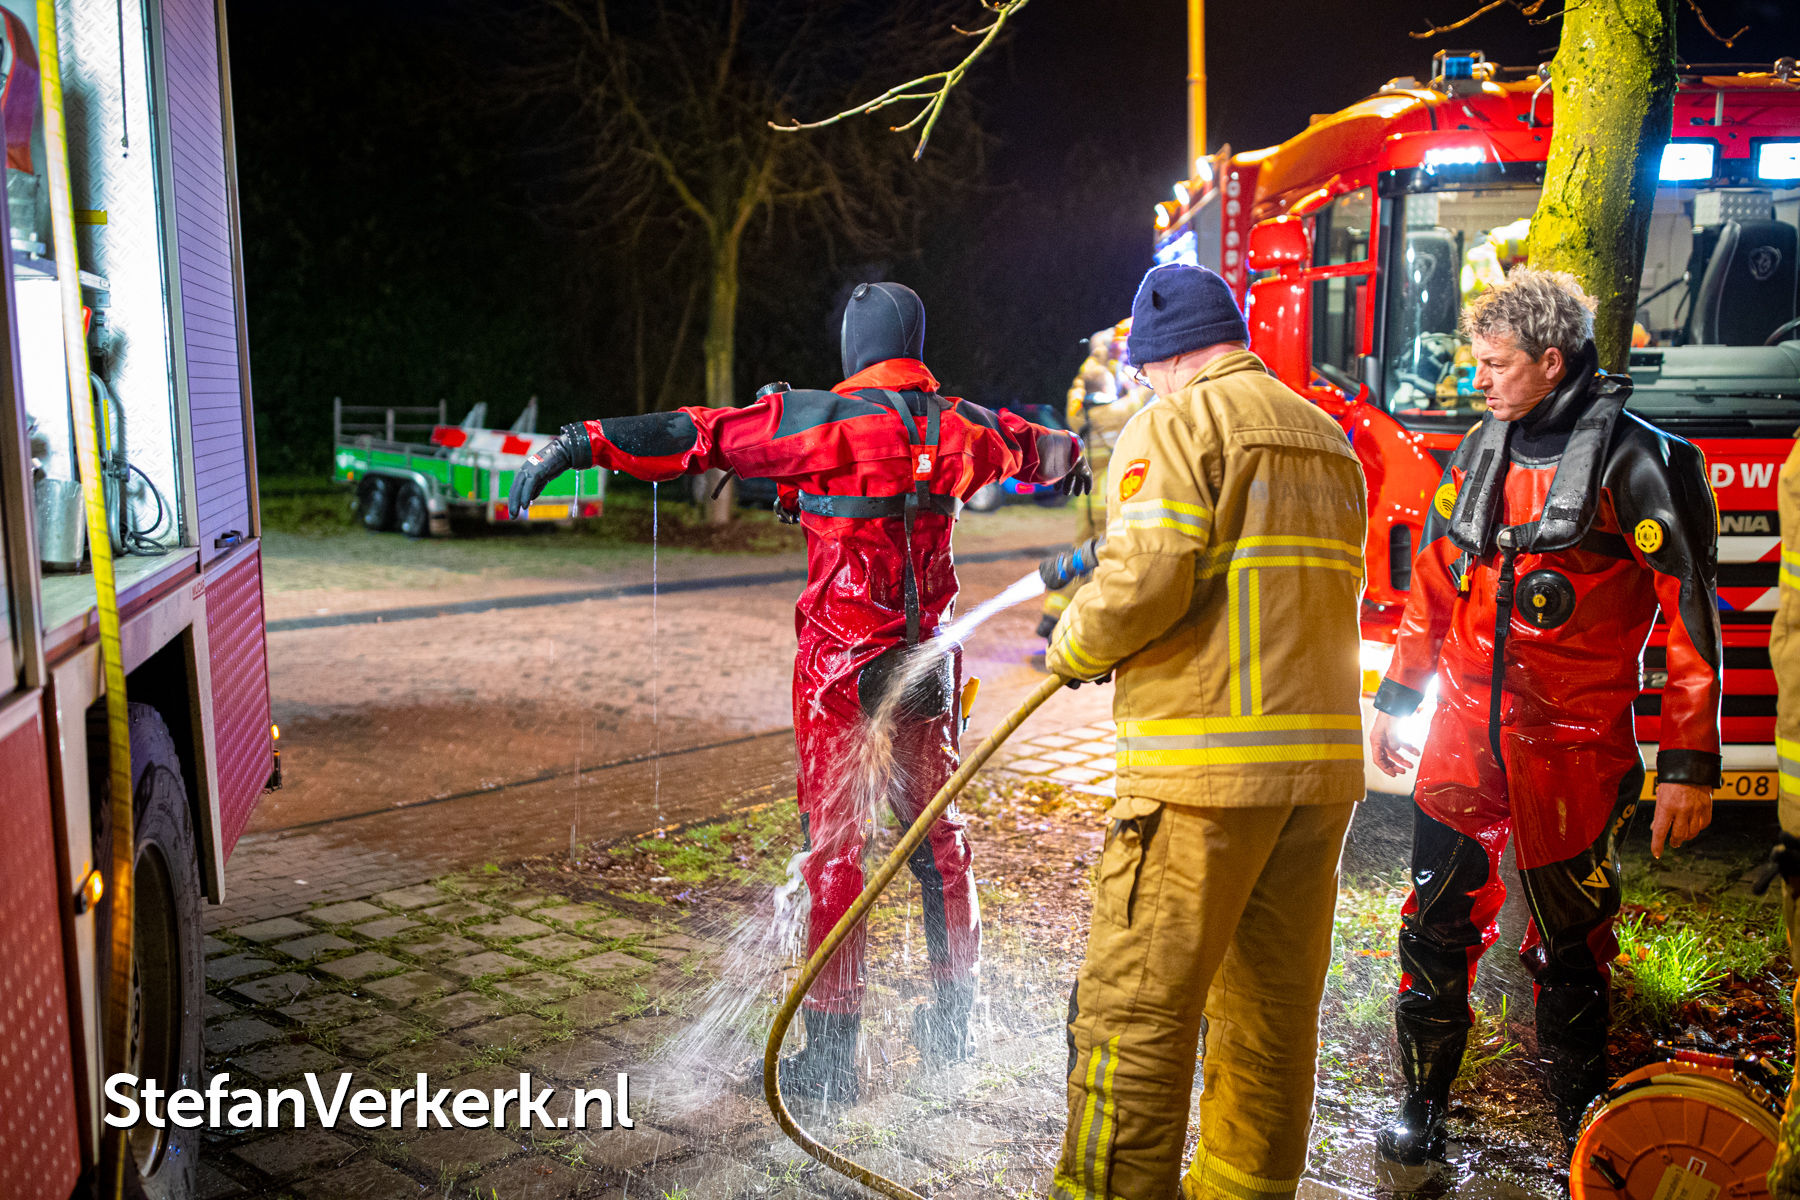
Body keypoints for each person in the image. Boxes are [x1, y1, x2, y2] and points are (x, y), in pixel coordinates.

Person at [507, 281, 1089, 1106]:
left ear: (854, 344)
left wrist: (577, 442)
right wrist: (1080, 461)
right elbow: (1049, 448)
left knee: (835, 852)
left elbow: (695, 436)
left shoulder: (823, 420)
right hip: (929, 664)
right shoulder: (969, 425)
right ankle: (956, 1022)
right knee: (938, 839)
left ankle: (832, 1059)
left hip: (843, 671)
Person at [1368, 269, 1722, 1162]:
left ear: (1551, 360)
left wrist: (1688, 763)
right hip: (1463, 735)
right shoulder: (1482, 450)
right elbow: (1436, 584)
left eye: (1494, 364)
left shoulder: (1638, 461)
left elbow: (1689, 611)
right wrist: (1399, 699)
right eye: (1475, 364)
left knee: (1572, 947)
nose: (1478, 381)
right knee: (1433, 920)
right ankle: (1422, 1103)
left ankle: (1582, 1126)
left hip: (1573, 747)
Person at [1044, 264, 1368, 1200]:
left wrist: (1073, 644)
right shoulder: (1325, 436)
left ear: (1166, 357)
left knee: (1137, 1016)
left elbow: (1149, 576)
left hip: (1200, 782)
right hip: (1315, 784)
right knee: (1271, 1018)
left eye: (1145, 371)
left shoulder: (1178, 422)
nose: (1144, 386)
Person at [1038, 323, 1147, 641]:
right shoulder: (1122, 410)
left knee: (1079, 556)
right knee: (1102, 561)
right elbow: (1146, 394)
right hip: (1112, 497)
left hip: (1086, 498)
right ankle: (1088, 627)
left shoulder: (1083, 414)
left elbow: (1076, 399)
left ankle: (1053, 614)